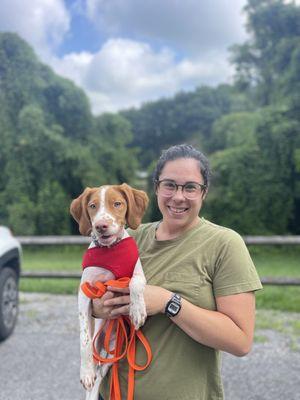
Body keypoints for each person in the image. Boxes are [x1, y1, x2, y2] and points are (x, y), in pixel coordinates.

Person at [93, 143, 263, 400]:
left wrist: (167, 302)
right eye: (170, 185)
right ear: (157, 187)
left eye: (190, 187)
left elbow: (240, 341)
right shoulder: (129, 239)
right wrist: (100, 306)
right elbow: (91, 296)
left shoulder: (224, 244)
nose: (178, 196)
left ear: (203, 193)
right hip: (113, 393)